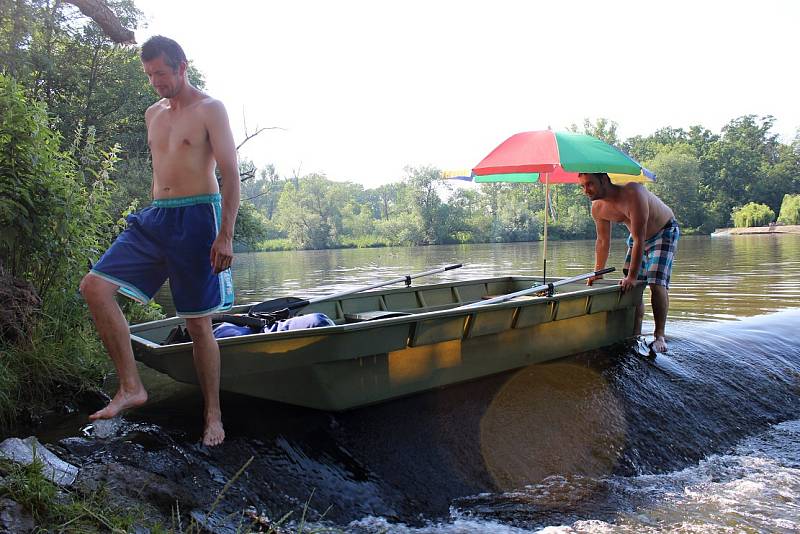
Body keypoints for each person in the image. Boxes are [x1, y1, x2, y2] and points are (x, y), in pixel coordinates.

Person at [79, 35, 240, 446]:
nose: (156, 82)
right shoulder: (153, 113)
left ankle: (213, 416)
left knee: (198, 324)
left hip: (198, 218)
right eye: (150, 75)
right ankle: (132, 387)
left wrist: (225, 235)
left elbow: (230, 175)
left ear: (182, 66)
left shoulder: (211, 109)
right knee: (95, 287)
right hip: (155, 218)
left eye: (162, 73)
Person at [578, 173, 679, 353]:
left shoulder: (633, 192)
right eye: (582, 186)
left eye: (590, 184)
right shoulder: (597, 208)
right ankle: (635, 334)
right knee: (632, 288)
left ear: (604, 180)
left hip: (663, 232)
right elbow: (602, 241)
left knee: (655, 283)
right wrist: (598, 272)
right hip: (637, 237)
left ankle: (659, 336)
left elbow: (640, 238)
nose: (586, 190)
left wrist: (632, 277)